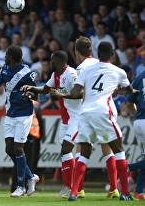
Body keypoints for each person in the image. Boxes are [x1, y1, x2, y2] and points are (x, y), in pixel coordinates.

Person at [52, 41, 134, 201]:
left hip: (85, 112)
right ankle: (120, 191)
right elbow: (128, 91)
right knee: (115, 150)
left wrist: (62, 95)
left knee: (83, 152)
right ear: (113, 54)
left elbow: (77, 92)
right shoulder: (119, 71)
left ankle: (75, 192)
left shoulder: (84, 69)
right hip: (105, 111)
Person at [21, 50, 85, 198]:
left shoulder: (70, 73)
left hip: (77, 117)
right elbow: (45, 89)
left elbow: (82, 92)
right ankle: (71, 187)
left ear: (57, 61)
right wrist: (31, 87)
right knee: (65, 152)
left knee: (66, 148)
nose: (49, 63)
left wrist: (62, 95)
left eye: (51, 60)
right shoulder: (56, 74)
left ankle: (72, 187)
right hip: (65, 119)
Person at [0, 45, 39, 197]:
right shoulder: (5, 68)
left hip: (24, 115)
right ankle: (31, 176)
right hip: (10, 114)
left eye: (6, 55)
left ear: (11, 57)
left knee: (19, 148)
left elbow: (37, 95)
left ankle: (21, 186)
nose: (4, 57)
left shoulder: (27, 73)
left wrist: (29, 96)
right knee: (9, 149)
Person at [126, 70, 145, 200]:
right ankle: (126, 167)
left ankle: (138, 192)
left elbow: (129, 103)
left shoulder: (138, 77)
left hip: (138, 122)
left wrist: (137, 115)